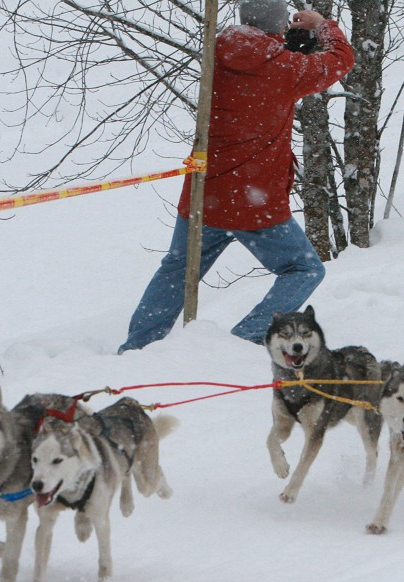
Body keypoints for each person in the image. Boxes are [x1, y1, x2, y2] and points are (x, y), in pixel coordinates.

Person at [117, 1, 354, 352]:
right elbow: (340, 59)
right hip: (254, 203)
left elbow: (257, 58)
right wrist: (321, 26)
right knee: (305, 270)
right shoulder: (284, 68)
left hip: (205, 193)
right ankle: (247, 337)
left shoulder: (218, 49)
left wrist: (280, 42)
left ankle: (136, 348)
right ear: (277, 25)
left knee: (178, 272)